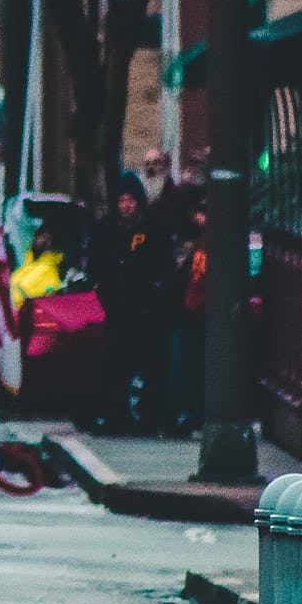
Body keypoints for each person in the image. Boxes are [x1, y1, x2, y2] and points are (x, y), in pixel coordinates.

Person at [89, 173, 172, 433]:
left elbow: (163, 267)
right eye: (122, 200)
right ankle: (116, 416)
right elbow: (96, 266)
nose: (126, 206)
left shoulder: (154, 230)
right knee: (116, 366)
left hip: (148, 311)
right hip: (118, 310)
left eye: (130, 200)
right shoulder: (106, 231)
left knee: (151, 366)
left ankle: (148, 418)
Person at [164, 187, 208, 436]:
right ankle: (184, 416)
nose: (201, 218)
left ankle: (189, 415)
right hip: (186, 317)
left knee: (190, 371)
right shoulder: (190, 243)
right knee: (184, 370)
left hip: (197, 316)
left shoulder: (206, 245)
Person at [9, 223, 66, 310]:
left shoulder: (48, 271)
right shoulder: (29, 258)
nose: (43, 241)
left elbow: (18, 297)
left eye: (48, 239)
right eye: (42, 236)